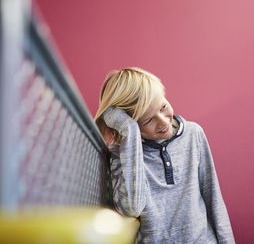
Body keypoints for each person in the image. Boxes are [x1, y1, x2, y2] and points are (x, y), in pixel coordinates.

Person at [95, 67, 235, 243]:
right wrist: (130, 133)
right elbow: (131, 208)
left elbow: (213, 197)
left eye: (163, 107)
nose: (163, 121)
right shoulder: (121, 153)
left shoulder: (193, 134)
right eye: (148, 120)